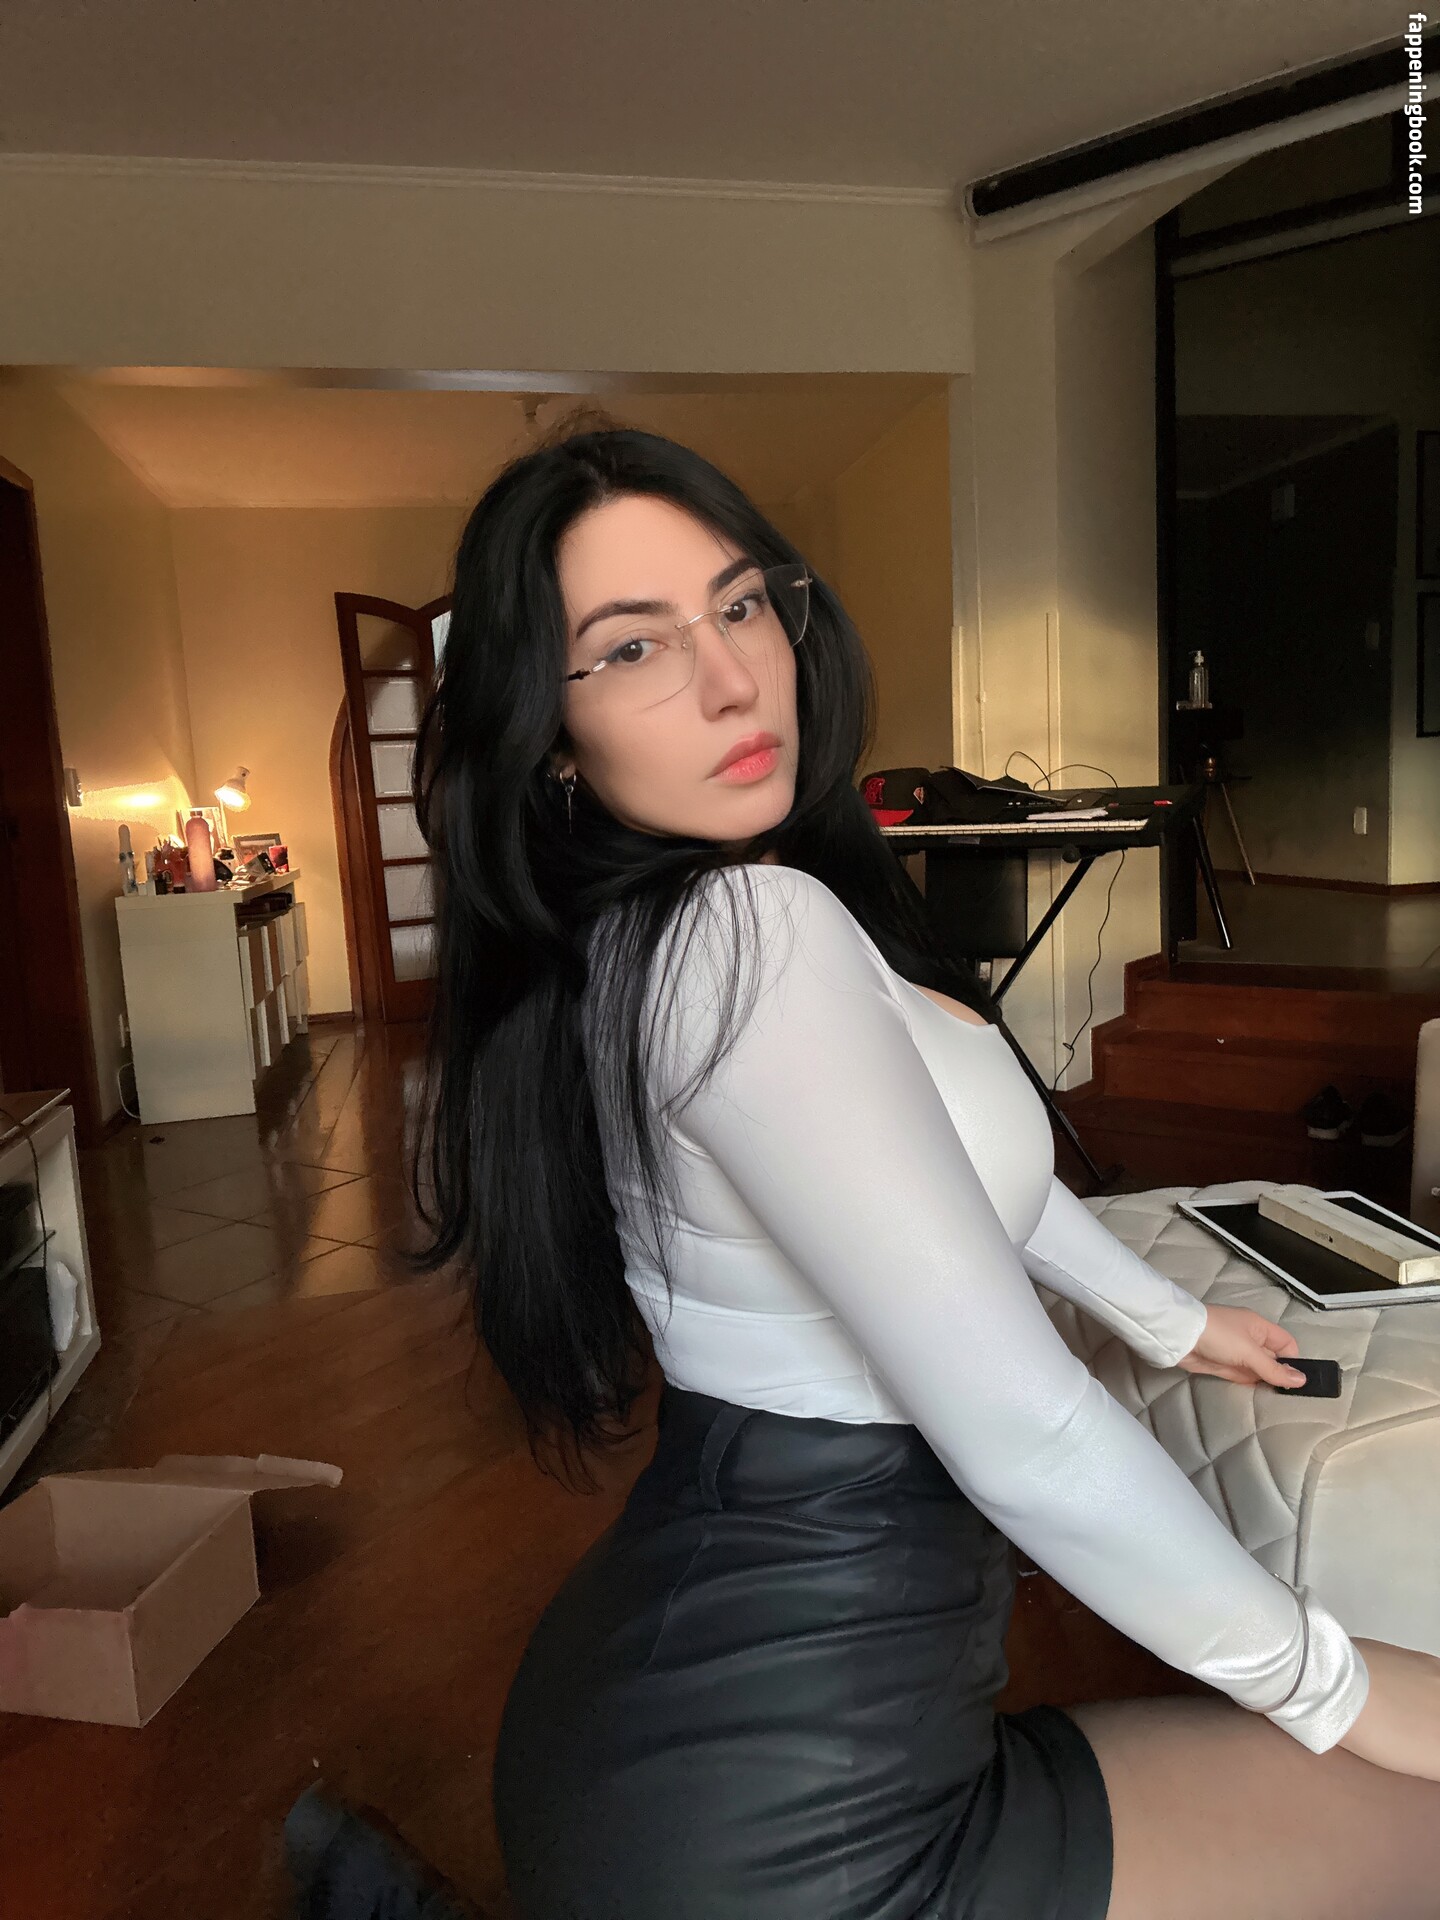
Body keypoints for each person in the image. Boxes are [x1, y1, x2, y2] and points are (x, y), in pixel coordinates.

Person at [411, 416, 1440, 1920]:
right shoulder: (746, 938)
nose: (732, 677)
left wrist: (1170, 1323)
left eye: (741, 604)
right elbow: (1025, 1427)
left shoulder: (650, 933)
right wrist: (1341, 1686)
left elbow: (934, 1189)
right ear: (549, 733)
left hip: (669, 1738)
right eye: (632, 648)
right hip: (780, 1825)